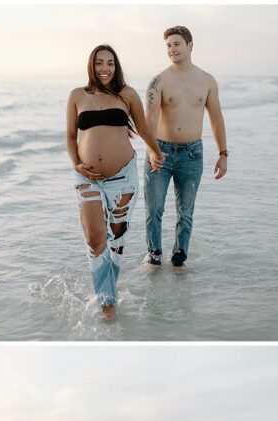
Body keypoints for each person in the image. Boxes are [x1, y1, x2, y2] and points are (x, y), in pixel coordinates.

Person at [66, 45, 165, 320]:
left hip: (123, 176)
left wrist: (156, 152)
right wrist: (76, 164)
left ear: (116, 66)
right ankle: (106, 301)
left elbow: (143, 128)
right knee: (94, 237)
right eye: (99, 63)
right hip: (87, 178)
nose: (105, 69)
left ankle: (107, 290)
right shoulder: (77, 95)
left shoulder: (127, 94)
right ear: (91, 66)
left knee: (117, 240)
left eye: (110, 63)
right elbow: (70, 136)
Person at [143, 26, 228, 268]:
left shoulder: (207, 81)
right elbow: (149, 119)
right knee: (154, 210)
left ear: (190, 46)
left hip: (192, 154)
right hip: (160, 151)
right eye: (168, 45)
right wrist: (151, 150)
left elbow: (216, 119)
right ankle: (154, 257)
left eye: (177, 44)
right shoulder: (158, 81)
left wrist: (223, 153)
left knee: (186, 211)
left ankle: (179, 259)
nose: (172, 49)